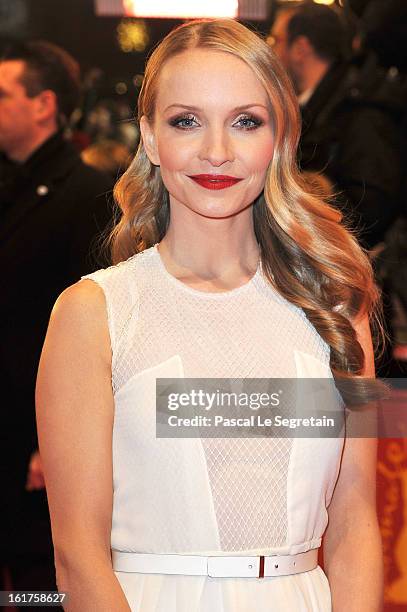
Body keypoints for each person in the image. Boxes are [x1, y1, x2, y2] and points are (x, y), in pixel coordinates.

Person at [36, 19, 383, 611]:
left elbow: (355, 524)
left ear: (280, 138)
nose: (216, 151)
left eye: (245, 121)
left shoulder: (339, 308)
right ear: (149, 136)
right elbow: (76, 555)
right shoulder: (93, 314)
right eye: (185, 121)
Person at [0, 40, 113, 600]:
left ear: (43, 105)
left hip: (40, 434)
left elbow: (96, 336)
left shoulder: (87, 193)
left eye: (2, 94)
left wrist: (56, 441)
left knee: (42, 586)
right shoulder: (11, 182)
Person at [270, 3, 402, 250]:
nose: (271, 51)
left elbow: (371, 214)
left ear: (300, 49)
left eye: (276, 40)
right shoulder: (320, 105)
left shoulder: (362, 111)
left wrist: (312, 193)